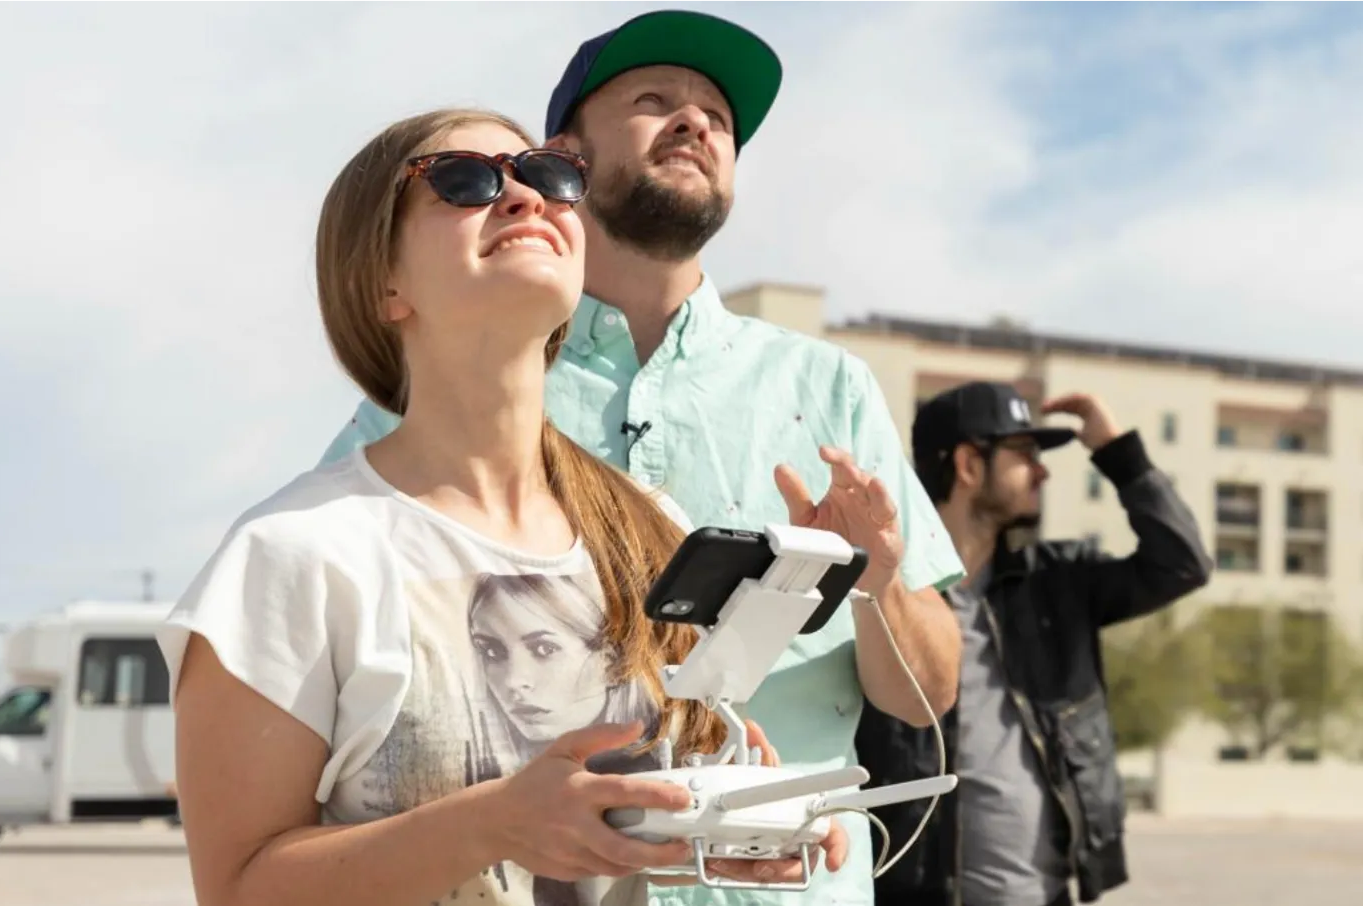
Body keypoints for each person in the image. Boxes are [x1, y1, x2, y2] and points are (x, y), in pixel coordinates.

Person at [158, 106, 916, 906]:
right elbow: (238, 888)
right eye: (464, 181)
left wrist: (712, 827)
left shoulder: (649, 527)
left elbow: (610, 840)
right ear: (382, 282)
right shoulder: (296, 553)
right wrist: (493, 825)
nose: (524, 198)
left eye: (549, 177)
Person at [322, 12, 966, 904]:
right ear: (560, 159)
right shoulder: (455, 377)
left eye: (719, 119)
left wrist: (880, 582)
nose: (697, 122)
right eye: (655, 100)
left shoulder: (831, 386)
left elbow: (926, 697)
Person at [855, 381, 1212, 906]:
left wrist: (1119, 453)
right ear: (969, 465)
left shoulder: (1059, 582)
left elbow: (1183, 564)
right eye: (1024, 454)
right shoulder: (883, 594)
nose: (1042, 471)